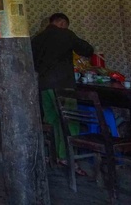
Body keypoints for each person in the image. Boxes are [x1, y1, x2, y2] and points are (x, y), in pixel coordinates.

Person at [32, 12, 93, 175]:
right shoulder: (66, 34)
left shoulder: (37, 39)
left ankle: (52, 156)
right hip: (62, 85)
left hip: (44, 86)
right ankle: (66, 157)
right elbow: (87, 50)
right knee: (70, 120)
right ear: (62, 23)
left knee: (52, 120)